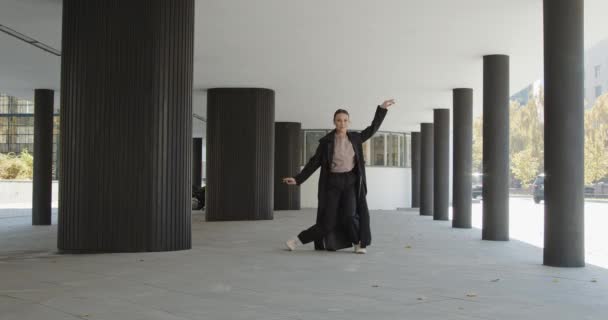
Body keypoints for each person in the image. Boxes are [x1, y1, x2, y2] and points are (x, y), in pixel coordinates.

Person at [283, 99, 395, 254]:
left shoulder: (356, 138)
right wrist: (298, 178)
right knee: (327, 223)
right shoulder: (327, 142)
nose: (342, 123)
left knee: (350, 216)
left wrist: (382, 109)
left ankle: (358, 243)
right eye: (339, 120)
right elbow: (314, 162)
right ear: (334, 122)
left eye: (345, 120)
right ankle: (296, 241)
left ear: (349, 122)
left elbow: (372, 129)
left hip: (350, 182)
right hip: (333, 183)